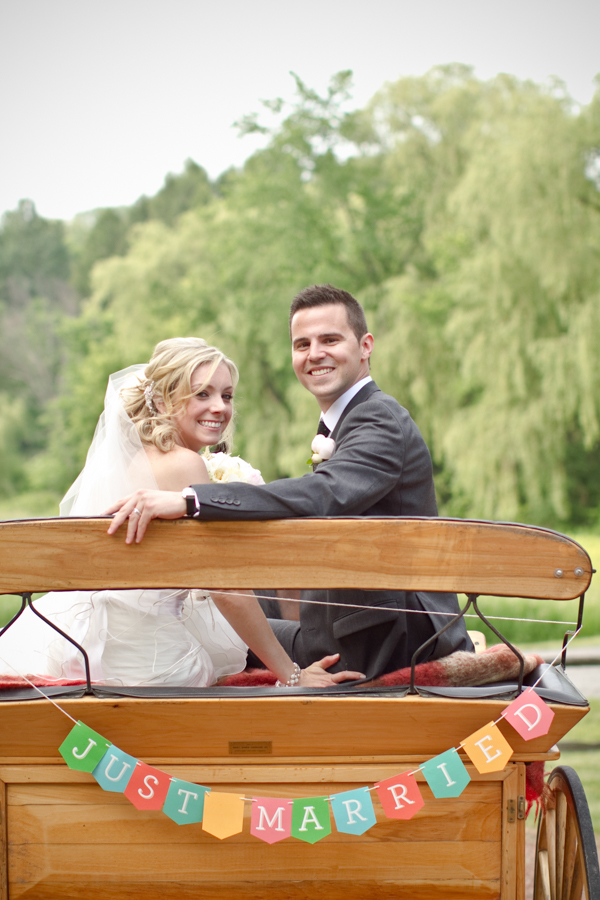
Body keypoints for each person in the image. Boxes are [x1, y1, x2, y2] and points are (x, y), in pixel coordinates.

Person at [107, 288, 473, 680]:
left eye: (330, 340)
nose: (315, 353)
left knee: (217, 618)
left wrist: (194, 501)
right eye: (303, 344)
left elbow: (325, 493)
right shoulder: (351, 419)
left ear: (365, 346)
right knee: (219, 613)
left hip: (388, 637)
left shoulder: (378, 420)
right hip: (349, 622)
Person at [0, 337, 361, 688]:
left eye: (227, 395)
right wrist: (292, 674)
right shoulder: (183, 464)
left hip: (88, 634)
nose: (219, 407)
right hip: (142, 652)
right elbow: (226, 590)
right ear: (160, 399)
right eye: (202, 393)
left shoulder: (134, 458)